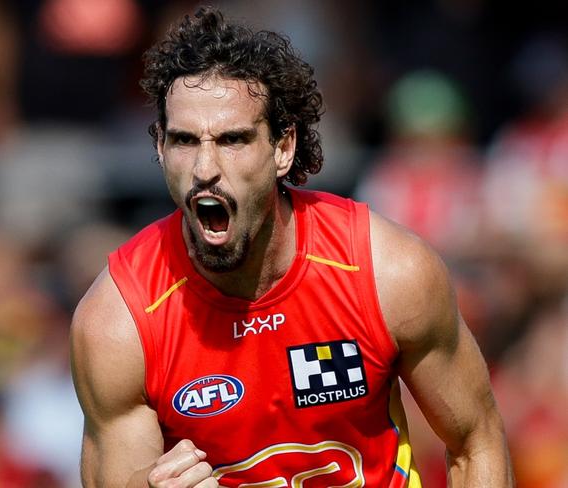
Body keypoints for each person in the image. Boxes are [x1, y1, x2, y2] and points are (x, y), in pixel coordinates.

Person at [70, 7, 513, 487]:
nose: (204, 168)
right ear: (159, 147)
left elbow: (475, 441)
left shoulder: (387, 272)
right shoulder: (118, 323)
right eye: (183, 140)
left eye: (233, 140)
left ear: (283, 148)